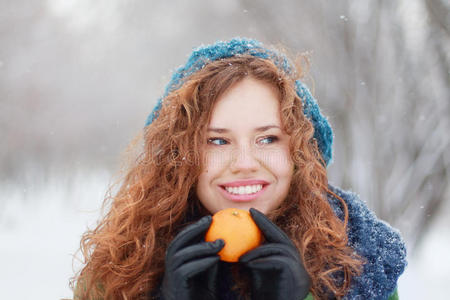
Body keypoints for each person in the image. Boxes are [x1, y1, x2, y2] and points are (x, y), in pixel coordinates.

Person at [72, 38, 406, 300]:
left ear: (300, 152)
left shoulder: (360, 258)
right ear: (179, 155)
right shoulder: (124, 265)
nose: (244, 163)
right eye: (218, 141)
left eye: (268, 139)